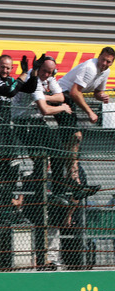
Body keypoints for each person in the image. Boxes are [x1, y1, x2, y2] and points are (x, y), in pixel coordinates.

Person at [12, 55, 74, 269]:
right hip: (23, 122)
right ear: (38, 68)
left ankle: (56, 187)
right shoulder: (33, 79)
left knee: (59, 151)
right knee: (40, 157)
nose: (48, 75)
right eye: (45, 71)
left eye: (51, 72)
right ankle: (38, 181)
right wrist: (60, 105)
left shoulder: (47, 78)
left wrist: (51, 98)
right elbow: (49, 108)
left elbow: (61, 96)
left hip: (36, 121)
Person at [0, 54, 35, 216]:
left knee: (11, 168)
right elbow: (8, 92)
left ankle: (6, 206)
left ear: (12, 69)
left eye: (8, 68)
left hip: (6, 130)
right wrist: (23, 76)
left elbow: (30, 88)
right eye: (3, 67)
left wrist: (34, 73)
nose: (5, 70)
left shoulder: (11, 80)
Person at [56, 46, 114, 193]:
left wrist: (101, 96)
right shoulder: (90, 68)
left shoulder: (105, 71)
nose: (105, 64)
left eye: (109, 62)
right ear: (99, 57)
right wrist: (90, 112)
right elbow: (75, 92)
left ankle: (72, 178)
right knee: (76, 136)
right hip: (61, 97)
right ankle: (73, 178)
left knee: (71, 141)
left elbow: (97, 91)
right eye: (103, 60)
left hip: (70, 100)